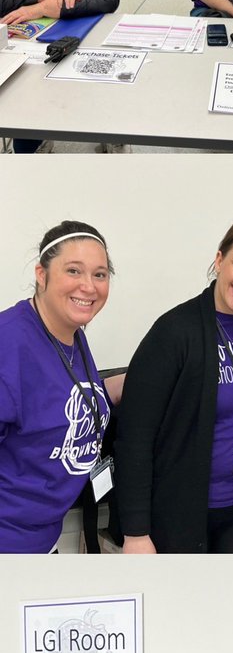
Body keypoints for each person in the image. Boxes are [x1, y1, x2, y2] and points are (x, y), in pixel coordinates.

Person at [116, 217, 233, 554]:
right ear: (219, 260)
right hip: (179, 513)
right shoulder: (175, 331)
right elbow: (134, 437)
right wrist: (135, 533)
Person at [0, 222, 117, 553]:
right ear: (42, 273)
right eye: (73, 271)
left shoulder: (70, 331)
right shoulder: (9, 342)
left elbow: (55, 400)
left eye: (100, 274)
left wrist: (117, 387)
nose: (89, 286)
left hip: (43, 538)